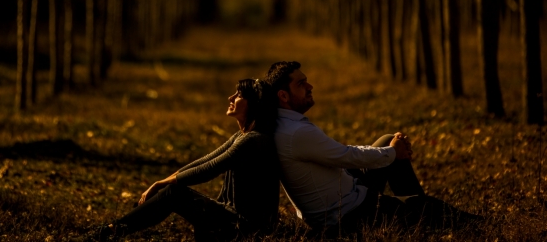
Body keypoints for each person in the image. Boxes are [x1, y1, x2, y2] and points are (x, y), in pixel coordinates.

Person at [265, 61, 480, 236]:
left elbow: (340, 153)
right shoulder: (296, 133)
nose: (310, 86)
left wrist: (390, 149)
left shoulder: (285, 125)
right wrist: (393, 153)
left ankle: (413, 205)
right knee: (433, 210)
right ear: (283, 96)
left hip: (344, 194)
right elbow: (347, 156)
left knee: (387, 140)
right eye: (302, 84)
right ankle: (425, 210)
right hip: (347, 215)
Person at [95, 79, 280, 241]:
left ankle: (109, 232)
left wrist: (162, 185)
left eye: (239, 95)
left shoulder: (254, 139)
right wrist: (163, 182)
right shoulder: (242, 135)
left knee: (175, 193)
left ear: (254, 104)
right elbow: (204, 160)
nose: (231, 98)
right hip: (234, 221)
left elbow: (210, 168)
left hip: (246, 229)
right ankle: (111, 230)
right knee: (173, 190)